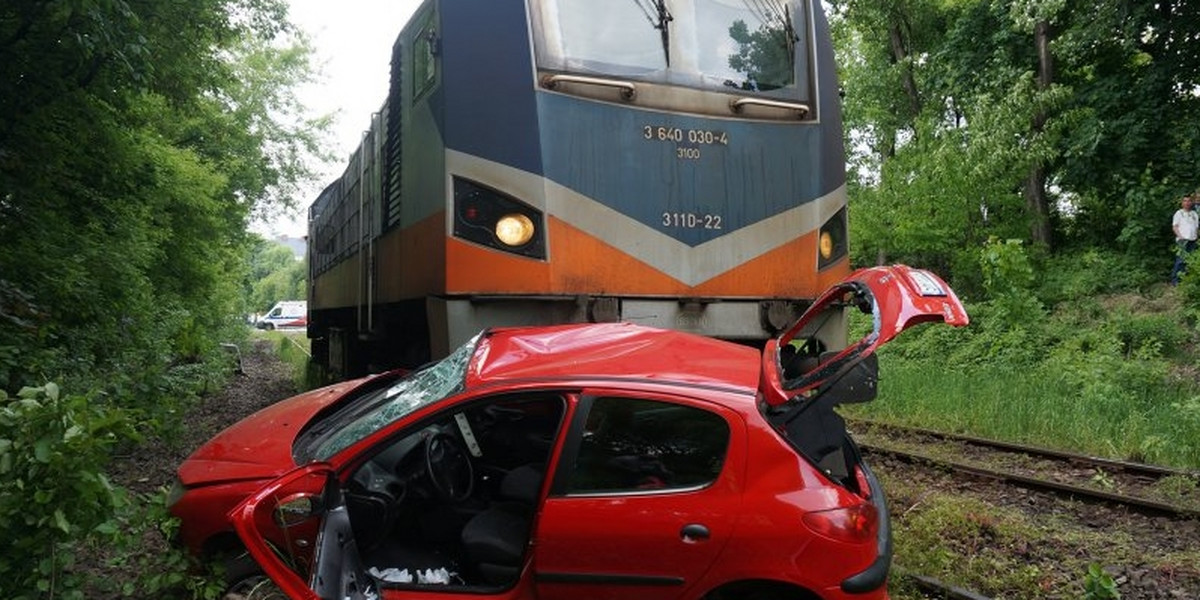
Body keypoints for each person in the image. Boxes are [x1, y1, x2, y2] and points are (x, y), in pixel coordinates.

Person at [1171, 194, 1199, 285]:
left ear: (1192, 202)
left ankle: (1185, 280)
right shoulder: (1179, 213)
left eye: (1189, 201)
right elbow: (1175, 227)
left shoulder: (1194, 214)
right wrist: (1180, 237)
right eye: (1185, 201)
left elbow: (1196, 227)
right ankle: (1175, 281)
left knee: (1189, 261)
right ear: (1182, 203)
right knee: (1180, 260)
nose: (1187, 203)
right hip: (1183, 240)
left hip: (1193, 240)